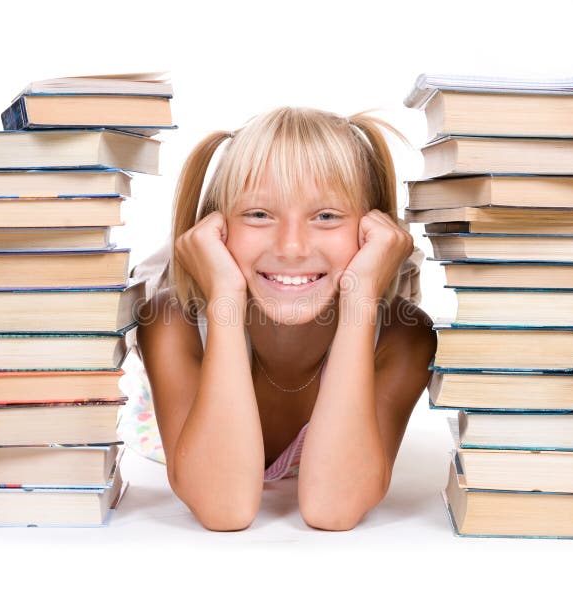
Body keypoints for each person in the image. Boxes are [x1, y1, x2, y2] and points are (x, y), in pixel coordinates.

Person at [123, 106, 436, 532]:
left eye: (326, 216)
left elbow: (333, 508)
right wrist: (224, 297)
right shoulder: (170, 323)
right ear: (215, 228)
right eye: (258, 214)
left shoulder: (402, 339)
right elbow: (224, 508)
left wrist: (362, 295)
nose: (291, 247)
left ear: (374, 229)